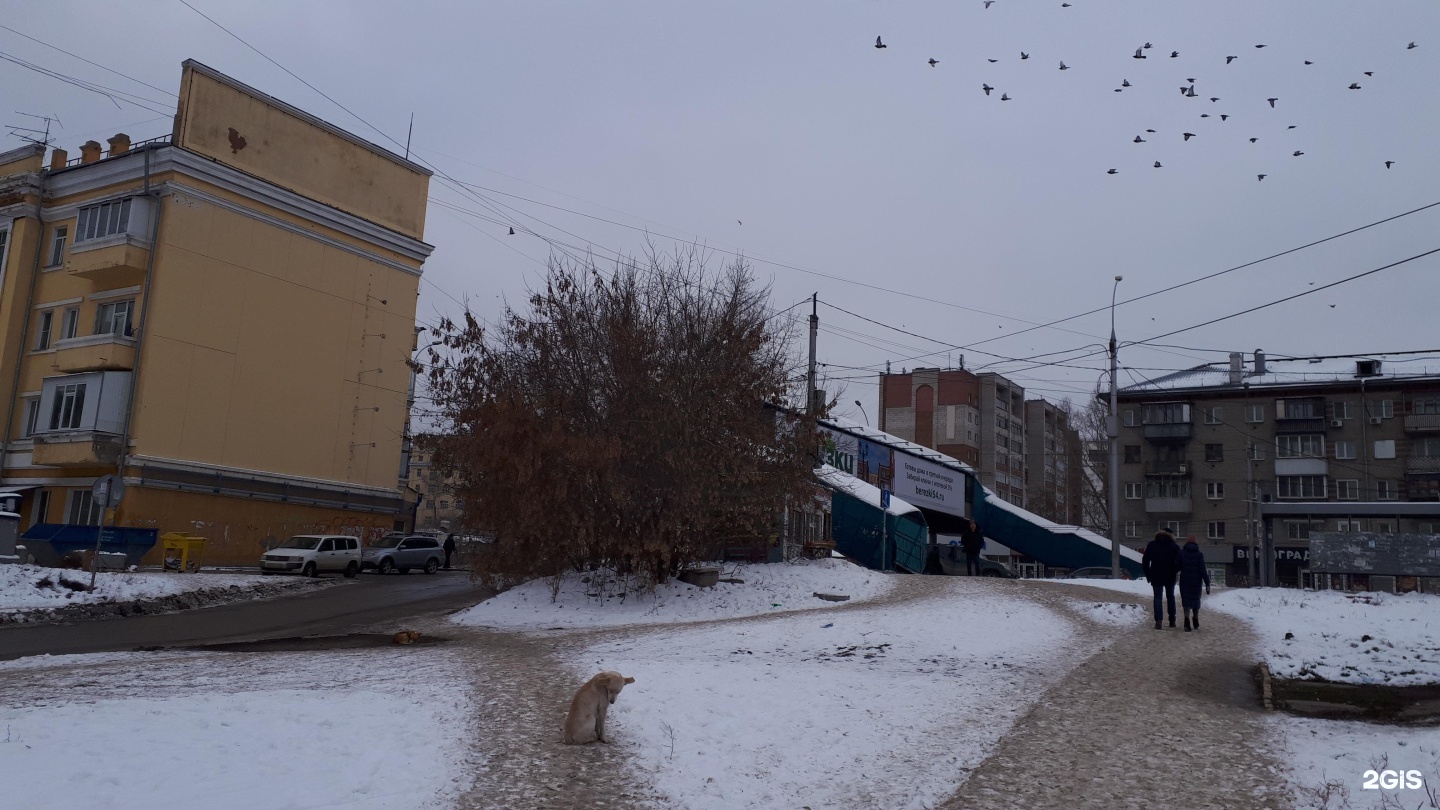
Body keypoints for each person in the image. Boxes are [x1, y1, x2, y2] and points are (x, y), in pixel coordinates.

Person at [1142, 529, 1181, 629]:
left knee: (1157, 597)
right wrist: (1174, 571)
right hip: (1170, 576)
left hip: (1156, 575)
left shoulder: (1152, 545)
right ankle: (1172, 620)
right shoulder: (1175, 547)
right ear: (1171, 535)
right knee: (1170, 597)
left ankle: (1158, 621)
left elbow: (1145, 561)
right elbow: (1179, 562)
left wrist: (1148, 575)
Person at [1176, 538, 1212, 631]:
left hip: (1185, 580)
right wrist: (1207, 582)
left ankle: (1186, 621)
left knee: (1186, 601)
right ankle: (1195, 619)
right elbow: (1203, 569)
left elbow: (1177, 566)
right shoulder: (1199, 555)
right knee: (1196, 600)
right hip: (1196, 581)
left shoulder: (1182, 553)